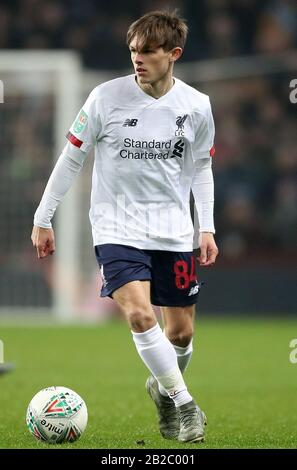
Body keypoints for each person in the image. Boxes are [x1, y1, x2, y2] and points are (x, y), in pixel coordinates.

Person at [31, 10, 219, 443]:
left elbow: (203, 166)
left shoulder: (196, 105)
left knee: (182, 332)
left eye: (149, 51)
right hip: (116, 227)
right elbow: (72, 158)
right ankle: (186, 404)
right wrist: (44, 217)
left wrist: (204, 227)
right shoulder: (104, 97)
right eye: (133, 50)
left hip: (173, 231)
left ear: (173, 54)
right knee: (138, 313)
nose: (138, 58)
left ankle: (164, 386)